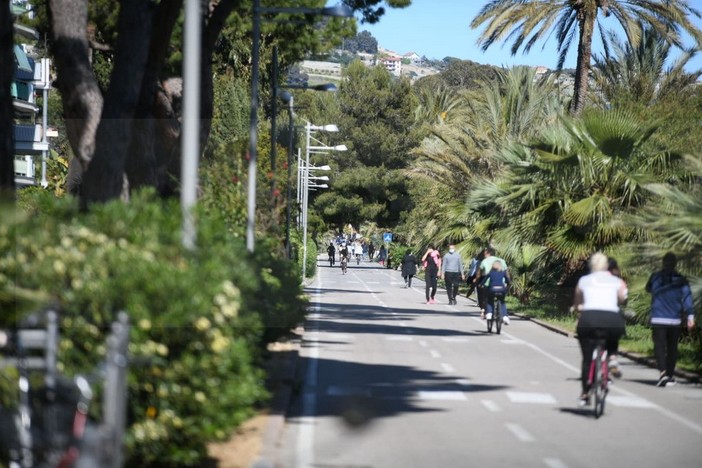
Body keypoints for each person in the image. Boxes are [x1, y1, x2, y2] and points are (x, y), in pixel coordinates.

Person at [572, 252, 627, 407]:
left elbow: (577, 304)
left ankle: (585, 394)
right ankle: (612, 358)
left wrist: (579, 307)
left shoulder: (584, 280)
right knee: (612, 337)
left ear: (591, 265)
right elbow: (622, 299)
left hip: (589, 319)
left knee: (587, 359)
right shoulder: (616, 280)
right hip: (612, 319)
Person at [645, 252, 696, 387]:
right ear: (675, 264)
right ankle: (670, 374)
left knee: (660, 347)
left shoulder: (655, 277)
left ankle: (663, 373)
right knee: (672, 348)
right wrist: (690, 316)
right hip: (674, 319)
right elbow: (687, 299)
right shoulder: (681, 280)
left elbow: (648, 289)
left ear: (663, 263)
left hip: (658, 318)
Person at [476, 247, 510, 323]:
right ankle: (505, 316)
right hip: (502, 285)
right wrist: (508, 283)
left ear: (488, 253)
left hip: (489, 285)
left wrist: (478, 282)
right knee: (502, 301)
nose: (484, 255)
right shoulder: (502, 261)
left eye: (485, 253)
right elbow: (507, 273)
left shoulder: (484, 261)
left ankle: (489, 313)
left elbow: (479, 273)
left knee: (488, 300)